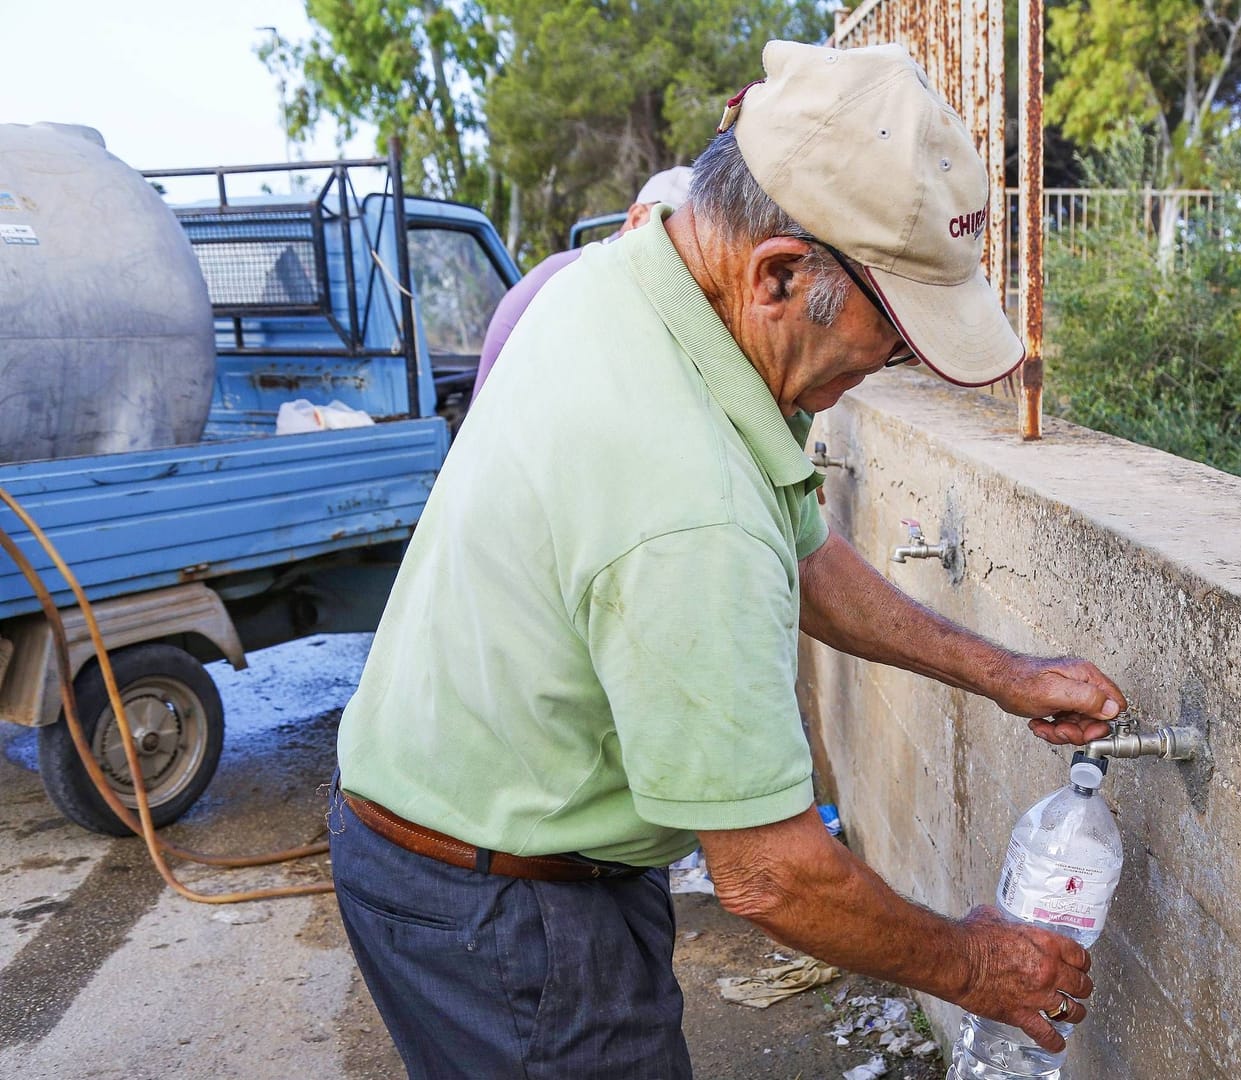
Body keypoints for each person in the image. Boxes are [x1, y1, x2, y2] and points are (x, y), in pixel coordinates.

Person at [329, 40, 1126, 1079]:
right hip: (501, 911)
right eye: (892, 341)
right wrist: (975, 965)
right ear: (780, 275)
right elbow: (771, 876)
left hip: (474, 846)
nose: (883, 372)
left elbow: (801, 551)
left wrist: (1005, 675)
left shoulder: (632, 287)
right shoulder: (684, 498)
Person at [470, 165, 693, 399]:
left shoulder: (613, 275)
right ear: (637, 217)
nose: (678, 251)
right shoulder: (580, 276)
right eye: (669, 231)